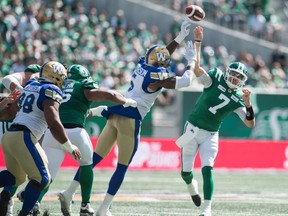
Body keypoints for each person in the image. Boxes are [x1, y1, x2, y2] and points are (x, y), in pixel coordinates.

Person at [59, 19, 196, 216]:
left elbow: (161, 56)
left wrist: (180, 38)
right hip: (131, 118)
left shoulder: (143, 63)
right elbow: (186, 81)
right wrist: (191, 60)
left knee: (93, 159)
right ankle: (104, 208)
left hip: (116, 113)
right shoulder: (157, 76)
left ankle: (69, 191)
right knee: (122, 167)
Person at [19, 64, 136, 216]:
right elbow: (110, 95)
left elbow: (71, 110)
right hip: (75, 133)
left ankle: (35, 203)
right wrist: (125, 101)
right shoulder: (82, 87)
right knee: (87, 165)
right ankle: (85, 205)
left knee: (47, 176)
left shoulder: (56, 86)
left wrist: (93, 111)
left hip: (52, 134)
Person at [176, 26, 256, 216]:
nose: (235, 78)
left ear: (243, 80)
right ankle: (191, 187)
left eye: (240, 77)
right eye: (234, 74)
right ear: (228, 72)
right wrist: (198, 42)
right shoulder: (215, 78)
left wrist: (248, 104)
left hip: (210, 134)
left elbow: (249, 123)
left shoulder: (238, 97)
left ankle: (207, 208)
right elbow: (196, 70)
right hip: (192, 130)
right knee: (185, 173)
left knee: (207, 169)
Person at [0, 61, 82, 216]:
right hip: (24, 136)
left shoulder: (30, 85)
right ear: (57, 77)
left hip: (11, 135)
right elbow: (53, 122)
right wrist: (69, 146)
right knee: (42, 178)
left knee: (16, 178)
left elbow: (10, 113)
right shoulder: (51, 90)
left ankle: (14, 203)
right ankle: (25, 213)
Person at [0, 64, 41, 216]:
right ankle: (15, 201)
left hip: (11, 135)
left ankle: (7, 198)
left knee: (16, 174)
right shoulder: (25, 90)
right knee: (22, 174)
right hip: (16, 135)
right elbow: (7, 79)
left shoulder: (24, 91)